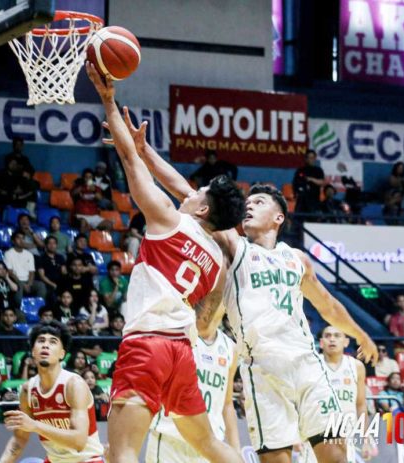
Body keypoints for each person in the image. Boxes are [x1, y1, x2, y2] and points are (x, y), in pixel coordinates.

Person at [108, 85, 377, 462]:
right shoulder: (234, 247)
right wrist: (144, 150)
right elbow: (183, 190)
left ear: (279, 216)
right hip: (260, 369)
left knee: (336, 456)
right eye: (247, 203)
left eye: (260, 202)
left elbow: (328, 304)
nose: (250, 206)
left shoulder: (296, 258)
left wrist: (362, 334)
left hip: (306, 364)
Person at [88, 65, 245, 463]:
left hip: (147, 346)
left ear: (203, 206)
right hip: (180, 353)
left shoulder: (166, 221)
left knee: (119, 454)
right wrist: (145, 150)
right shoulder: (216, 260)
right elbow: (178, 186)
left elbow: (127, 160)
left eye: (199, 191)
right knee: (209, 446)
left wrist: (108, 101)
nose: (190, 191)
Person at [0, 321, 105, 463]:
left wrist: (35, 425)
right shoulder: (27, 390)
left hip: (85, 459)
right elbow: (19, 439)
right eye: (41, 341)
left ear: (62, 354)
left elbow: (79, 441)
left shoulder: (73, 385)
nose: (45, 345)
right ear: (33, 352)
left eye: (53, 341)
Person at [146, 325, 240, 463]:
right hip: (170, 440)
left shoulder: (230, 348)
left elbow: (227, 404)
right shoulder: (178, 335)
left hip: (210, 447)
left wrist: (236, 450)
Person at [319, 325, 368, 462]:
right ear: (321, 342)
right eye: (328, 336)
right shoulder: (311, 364)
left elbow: (361, 405)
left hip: (346, 437)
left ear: (346, 342)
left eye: (337, 335)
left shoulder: (356, 367)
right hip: (316, 436)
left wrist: (366, 439)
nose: (332, 339)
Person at [5, 230, 45, 309]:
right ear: (13, 240)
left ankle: (38, 308)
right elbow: (10, 272)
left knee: (41, 286)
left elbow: (32, 272)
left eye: (23, 238)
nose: (21, 240)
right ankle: (22, 310)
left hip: (28, 281)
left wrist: (29, 284)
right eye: (18, 238)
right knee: (19, 287)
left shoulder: (29, 254)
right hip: (16, 281)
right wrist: (22, 284)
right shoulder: (8, 253)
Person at [71, 169, 109, 234]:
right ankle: (82, 240)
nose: (88, 179)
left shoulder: (96, 188)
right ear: (83, 178)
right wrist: (84, 187)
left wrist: (93, 190)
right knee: (83, 223)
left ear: (92, 178)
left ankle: (101, 241)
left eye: (90, 177)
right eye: (86, 177)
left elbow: (100, 198)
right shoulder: (79, 187)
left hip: (93, 216)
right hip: (81, 215)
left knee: (108, 224)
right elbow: (73, 193)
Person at [293, 150, 326, 214]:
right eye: (308, 157)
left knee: (312, 219)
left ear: (315, 158)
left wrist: (311, 179)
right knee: (298, 218)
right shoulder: (301, 170)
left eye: (312, 158)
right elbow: (295, 183)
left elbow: (322, 182)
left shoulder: (318, 170)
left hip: (314, 200)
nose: (310, 160)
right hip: (301, 200)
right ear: (305, 158)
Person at [37, 236, 67, 303]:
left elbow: (64, 272)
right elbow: (42, 276)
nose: (52, 245)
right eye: (49, 243)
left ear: (56, 245)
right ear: (46, 245)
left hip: (60, 283)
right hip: (48, 283)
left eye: (54, 243)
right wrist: (52, 284)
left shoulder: (60, 257)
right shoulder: (41, 258)